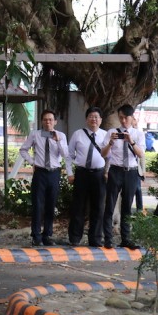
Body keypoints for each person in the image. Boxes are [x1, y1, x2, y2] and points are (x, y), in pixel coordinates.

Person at [19, 109, 69, 246]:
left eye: (50, 120)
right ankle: (36, 235)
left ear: (55, 122)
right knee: (37, 204)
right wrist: (32, 162)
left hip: (54, 172)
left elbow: (65, 155)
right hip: (40, 172)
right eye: (45, 120)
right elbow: (23, 150)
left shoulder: (61, 136)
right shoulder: (35, 134)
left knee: (50, 204)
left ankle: (47, 235)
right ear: (42, 121)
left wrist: (58, 141)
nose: (48, 122)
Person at [101, 104, 145, 249]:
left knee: (127, 206)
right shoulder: (112, 132)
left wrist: (131, 141)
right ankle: (108, 238)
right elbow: (103, 154)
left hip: (131, 172)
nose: (123, 120)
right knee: (110, 204)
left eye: (126, 117)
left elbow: (141, 154)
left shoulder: (138, 134)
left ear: (133, 118)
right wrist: (110, 143)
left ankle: (125, 238)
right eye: (121, 118)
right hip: (116, 170)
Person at [66, 106, 109, 247]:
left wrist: (107, 171)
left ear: (101, 120)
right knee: (78, 206)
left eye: (96, 117)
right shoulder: (78, 134)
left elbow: (110, 157)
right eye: (91, 116)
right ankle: (75, 238)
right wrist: (70, 173)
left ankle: (95, 238)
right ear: (86, 119)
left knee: (98, 208)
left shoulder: (105, 135)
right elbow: (69, 155)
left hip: (99, 174)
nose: (94, 119)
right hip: (82, 174)